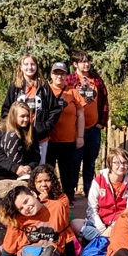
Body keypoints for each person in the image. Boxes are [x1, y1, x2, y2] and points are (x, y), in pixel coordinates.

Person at [0, 54, 62, 162]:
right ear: (21, 67)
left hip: (40, 138)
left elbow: (55, 109)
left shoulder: (43, 86)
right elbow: (6, 110)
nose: (30, 67)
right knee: (21, 170)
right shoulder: (15, 87)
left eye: (33, 64)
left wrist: (45, 126)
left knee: (39, 170)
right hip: (19, 137)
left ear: (37, 67)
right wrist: (12, 129)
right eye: (26, 64)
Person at [71, 147, 128, 243]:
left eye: (125, 163)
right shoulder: (98, 181)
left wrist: (112, 228)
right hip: (99, 224)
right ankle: (107, 240)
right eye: (117, 163)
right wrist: (102, 229)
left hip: (120, 224)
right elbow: (92, 209)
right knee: (74, 223)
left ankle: (99, 241)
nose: (122, 166)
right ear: (110, 163)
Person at [66, 50, 110, 198]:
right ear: (75, 64)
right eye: (82, 61)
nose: (86, 64)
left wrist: (101, 123)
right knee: (74, 163)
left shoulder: (96, 79)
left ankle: (89, 194)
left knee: (90, 163)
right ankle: (70, 194)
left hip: (93, 128)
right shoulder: (70, 80)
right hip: (75, 129)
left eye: (87, 61)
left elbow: (104, 101)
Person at [44, 62, 85, 202]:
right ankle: (49, 197)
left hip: (68, 140)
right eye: (56, 73)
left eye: (62, 73)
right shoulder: (45, 90)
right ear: (51, 74)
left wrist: (80, 136)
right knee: (48, 171)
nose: (59, 76)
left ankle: (68, 197)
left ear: (66, 75)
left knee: (68, 172)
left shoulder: (72, 92)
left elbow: (80, 115)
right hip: (48, 140)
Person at [27, 164, 79, 256]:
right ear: (34, 183)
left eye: (47, 180)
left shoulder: (62, 197)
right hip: (38, 231)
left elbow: (63, 217)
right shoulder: (31, 198)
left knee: (66, 230)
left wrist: (47, 201)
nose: (43, 184)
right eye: (39, 181)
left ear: (53, 181)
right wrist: (39, 202)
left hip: (58, 231)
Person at [0, 102, 41, 179]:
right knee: (12, 136)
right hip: (1, 169)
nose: (26, 119)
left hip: (25, 168)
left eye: (27, 116)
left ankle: (23, 173)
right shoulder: (1, 130)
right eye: (22, 116)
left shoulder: (32, 130)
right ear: (14, 116)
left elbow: (35, 153)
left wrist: (30, 166)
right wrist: (15, 167)